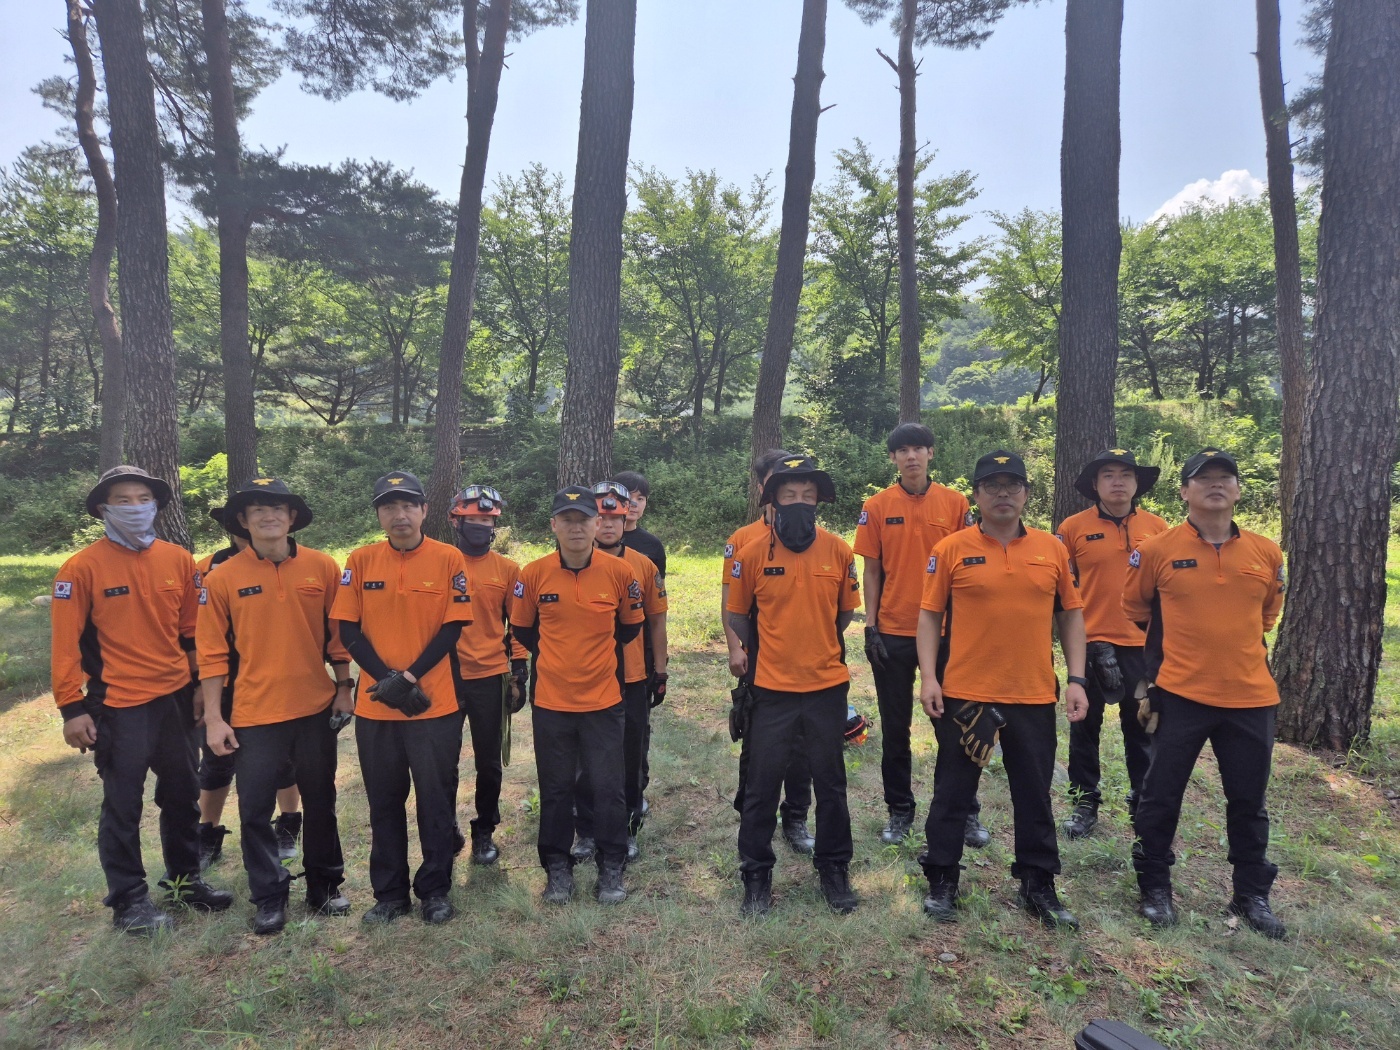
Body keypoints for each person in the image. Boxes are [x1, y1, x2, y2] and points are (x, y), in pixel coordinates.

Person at [50, 465, 233, 934]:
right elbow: (65, 646)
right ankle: (129, 901)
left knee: (183, 795)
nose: (135, 507)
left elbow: (191, 631)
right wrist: (71, 709)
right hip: (118, 704)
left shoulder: (178, 560)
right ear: (103, 509)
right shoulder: (81, 569)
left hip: (175, 699)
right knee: (123, 804)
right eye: (123, 500)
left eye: (143, 499)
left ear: (156, 505)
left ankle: (185, 881)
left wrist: (199, 686)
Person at [916, 450, 1089, 930]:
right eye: (992, 486)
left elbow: (1071, 616)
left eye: (1012, 485)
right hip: (967, 692)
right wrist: (929, 677)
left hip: (1033, 692)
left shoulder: (1053, 550)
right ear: (976, 495)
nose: (1003, 494)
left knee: (1034, 793)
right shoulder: (950, 549)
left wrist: (1077, 679)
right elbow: (929, 616)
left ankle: (1039, 884)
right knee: (952, 792)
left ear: (1027, 494)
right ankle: (942, 879)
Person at [1124, 449, 1287, 939]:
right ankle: (1155, 887)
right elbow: (1136, 607)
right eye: (1204, 478)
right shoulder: (1156, 549)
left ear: (1237, 490)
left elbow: (1267, 616)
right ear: (1184, 491)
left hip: (1250, 696)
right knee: (1160, 794)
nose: (1216, 484)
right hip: (1180, 693)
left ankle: (1251, 894)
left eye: (1225, 478)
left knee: (1248, 801)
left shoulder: (1266, 552)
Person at [197, 478, 354, 934]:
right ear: (242, 522)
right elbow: (211, 655)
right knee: (253, 810)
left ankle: (325, 886)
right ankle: (269, 896)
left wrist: (344, 686)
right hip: (254, 713)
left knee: (321, 801)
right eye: (258, 510)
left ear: (292, 517)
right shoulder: (222, 578)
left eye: (278, 508)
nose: (269, 516)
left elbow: (337, 636)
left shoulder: (323, 567)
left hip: (314, 707)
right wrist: (214, 718)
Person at [331, 471, 473, 926]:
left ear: (424, 510)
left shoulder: (449, 558)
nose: (400, 514)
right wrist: (387, 680)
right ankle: (389, 894)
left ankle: (435, 890)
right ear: (379, 515)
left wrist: (408, 678)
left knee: (436, 799)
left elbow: (453, 627)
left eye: (409, 505)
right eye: (389, 507)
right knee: (384, 802)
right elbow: (347, 628)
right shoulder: (360, 560)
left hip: (434, 705)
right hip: (377, 708)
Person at [726, 456, 861, 916]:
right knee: (761, 785)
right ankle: (756, 875)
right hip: (770, 689)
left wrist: (816, 644)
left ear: (819, 500)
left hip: (826, 686)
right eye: (789, 495)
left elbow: (845, 613)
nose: (799, 502)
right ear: (773, 500)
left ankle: (834, 868)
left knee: (831, 784)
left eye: (808, 495)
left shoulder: (839, 551)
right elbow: (737, 615)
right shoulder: (750, 554)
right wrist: (765, 653)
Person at [854, 422, 989, 849]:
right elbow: (871, 570)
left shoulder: (955, 503)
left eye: (918, 448)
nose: (911, 456)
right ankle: (899, 810)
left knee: (956, 726)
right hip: (893, 633)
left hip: (947, 633)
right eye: (903, 450)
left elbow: (968, 564)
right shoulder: (876, 506)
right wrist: (871, 625)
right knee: (896, 729)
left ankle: (964, 810)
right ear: (893, 458)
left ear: (931, 453)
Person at [511, 486, 646, 905]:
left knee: (608, 787)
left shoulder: (620, 573)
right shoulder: (533, 574)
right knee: (555, 789)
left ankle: (611, 865)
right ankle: (557, 867)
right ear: (553, 525)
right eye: (566, 520)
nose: (576, 527)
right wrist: (559, 659)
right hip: (551, 702)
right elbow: (523, 630)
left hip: (603, 701)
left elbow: (629, 627)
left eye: (583, 519)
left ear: (597, 523)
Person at [1054, 449, 1169, 840]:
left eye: (1126, 474)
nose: (1118, 482)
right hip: (1090, 644)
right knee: (1084, 728)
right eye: (1108, 475)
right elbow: (1060, 588)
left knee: (1142, 728)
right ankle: (1084, 803)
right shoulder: (1072, 528)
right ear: (1095, 484)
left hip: (1142, 647)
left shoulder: (1159, 527)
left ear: (1137, 483)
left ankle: (1143, 803)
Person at [194, 507, 302, 871]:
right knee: (216, 761)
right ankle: (207, 831)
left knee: (284, 760)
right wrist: (202, 689)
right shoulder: (211, 568)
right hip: (224, 683)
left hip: (275, 680)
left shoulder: (294, 562)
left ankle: (288, 823)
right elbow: (199, 631)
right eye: (239, 521)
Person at [723, 450, 815, 855]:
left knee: (801, 745)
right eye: (778, 483)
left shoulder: (817, 538)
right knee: (758, 740)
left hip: (809, 662)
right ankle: (752, 812)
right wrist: (736, 648)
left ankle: (796, 816)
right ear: (765, 487)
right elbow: (730, 602)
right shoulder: (743, 540)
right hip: (760, 659)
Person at [572, 481, 668, 862]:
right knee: (585, 759)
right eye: (602, 517)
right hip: (587, 678)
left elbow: (657, 622)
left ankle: (627, 827)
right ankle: (585, 829)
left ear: (626, 516)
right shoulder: (573, 562)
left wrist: (660, 671)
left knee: (630, 754)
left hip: (633, 677)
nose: (609, 524)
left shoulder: (643, 565)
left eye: (616, 517)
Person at [446, 484, 529, 865]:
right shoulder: (440, 562)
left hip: (491, 676)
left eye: (487, 520)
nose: (480, 526)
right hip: (444, 677)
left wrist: (519, 671)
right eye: (473, 519)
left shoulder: (508, 570)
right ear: (456, 521)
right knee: (442, 761)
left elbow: (518, 625)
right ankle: (446, 827)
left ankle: (484, 830)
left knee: (489, 762)